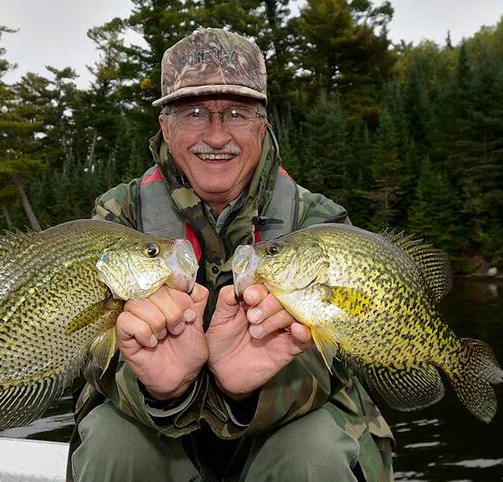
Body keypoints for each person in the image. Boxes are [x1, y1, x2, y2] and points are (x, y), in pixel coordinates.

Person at [68, 28, 394, 482]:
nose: (217, 136)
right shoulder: (117, 217)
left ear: (263, 123)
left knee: (314, 452)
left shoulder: (319, 222)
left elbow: (340, 360)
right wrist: (165, 391)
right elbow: (87, 349)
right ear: (165, 125)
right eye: (195, 113)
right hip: (157, 426)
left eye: (237, 113)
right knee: (112, 444)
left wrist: (242, 392)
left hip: (281, 427)